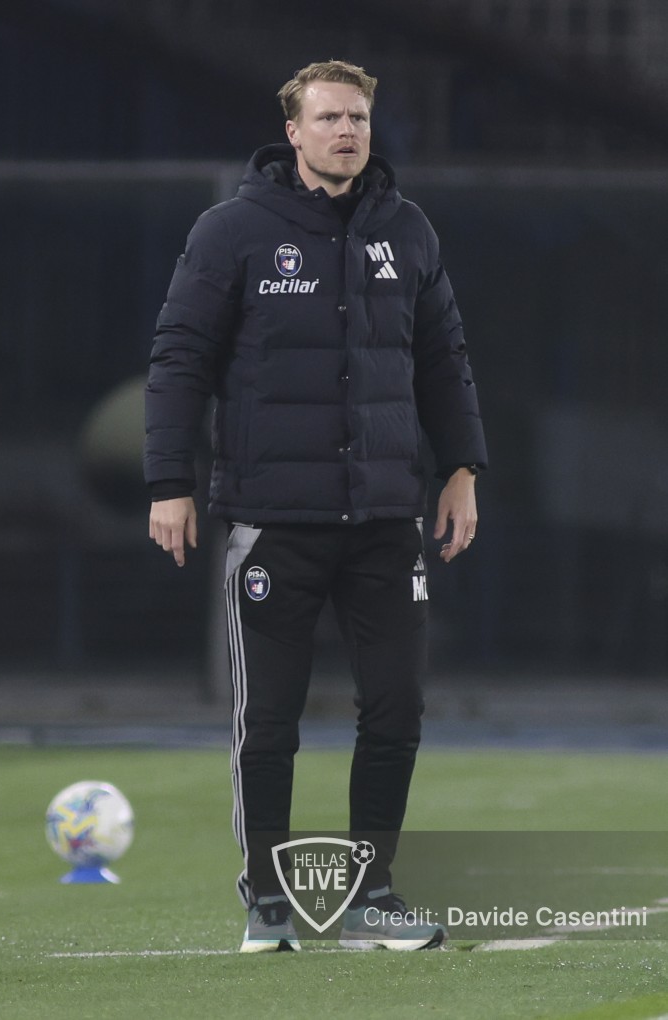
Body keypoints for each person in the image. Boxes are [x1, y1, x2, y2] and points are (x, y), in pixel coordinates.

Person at [145, 59, 487, 953]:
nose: (347, 131)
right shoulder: (232, 231)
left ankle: (373, 898)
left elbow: (444, 357)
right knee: (269, 723)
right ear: (293, 132)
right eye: (330, 117)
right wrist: (169, 481)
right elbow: (179, 356)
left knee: (397, 711)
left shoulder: (407, 230)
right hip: (273, 520)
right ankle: (268, 902)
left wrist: (463, 468)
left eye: (359, 118)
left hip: (385, 520)